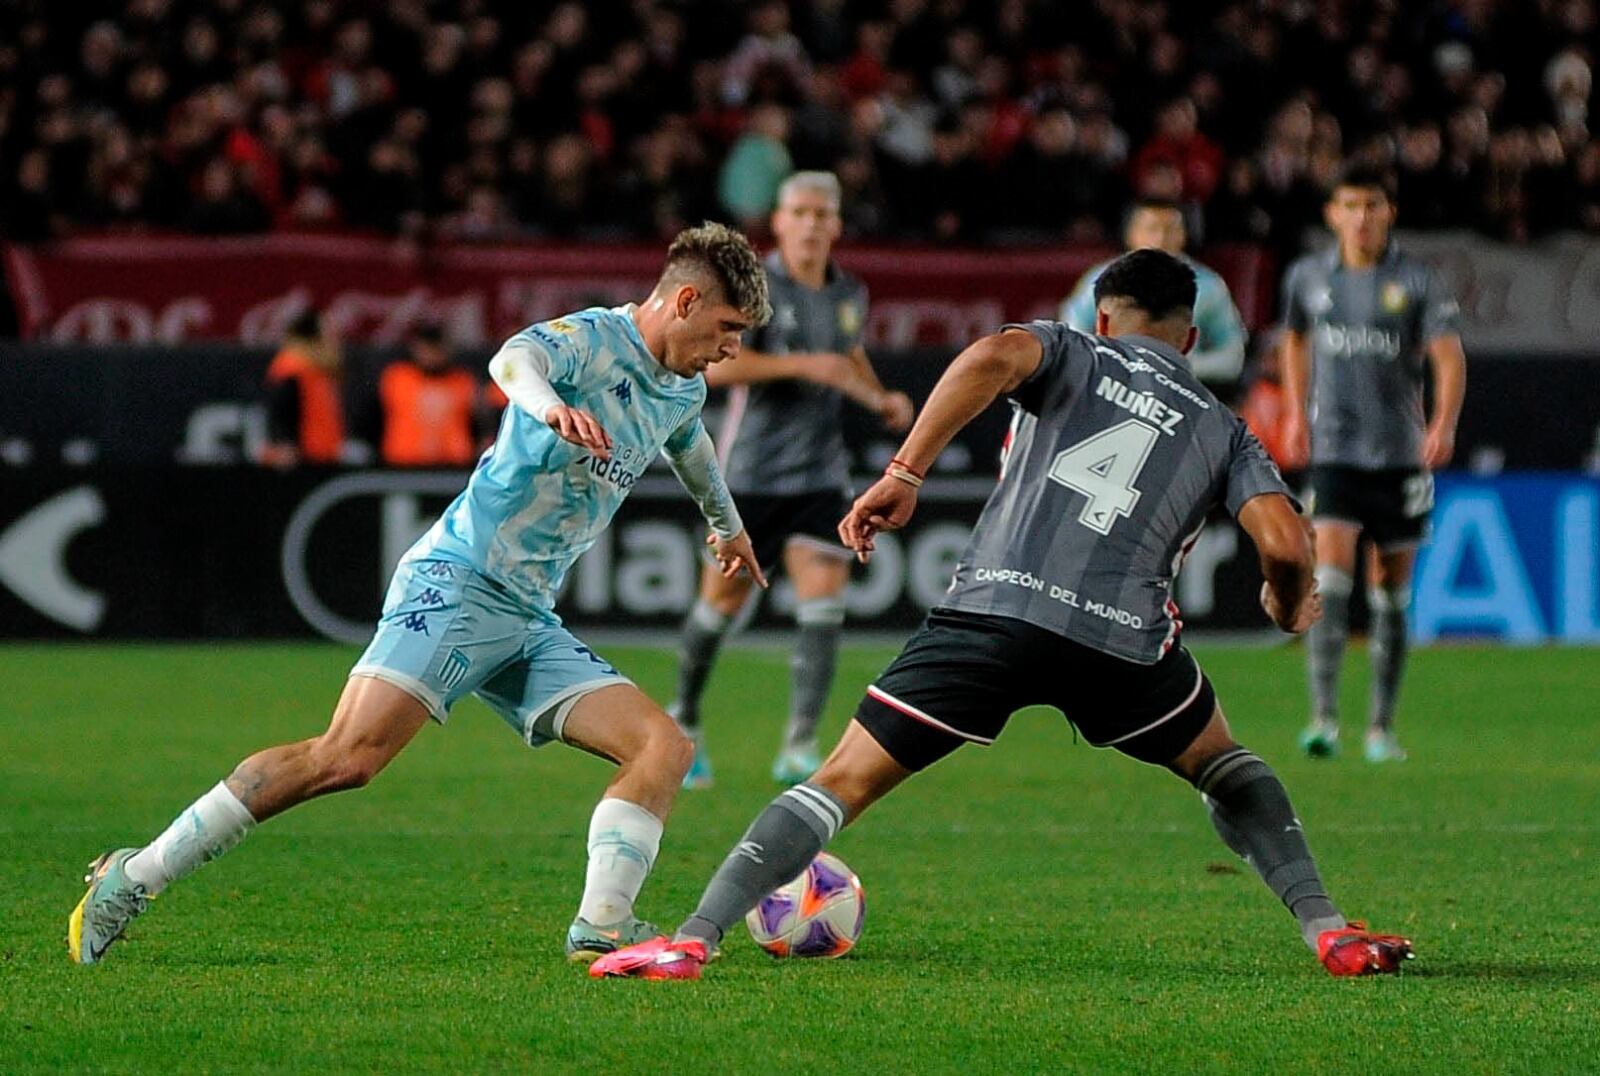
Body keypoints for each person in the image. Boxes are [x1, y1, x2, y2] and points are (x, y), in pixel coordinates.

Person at [591, 249, 1413, 981]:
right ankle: (1329, 930)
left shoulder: (1071, 348)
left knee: (839, 782)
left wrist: (906, 472)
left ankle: (693, 939)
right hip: (1120, 646)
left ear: (1102, 315)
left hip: (994, 615)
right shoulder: (1223, 427)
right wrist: (1282, 592)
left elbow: (989, 356)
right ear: (1191, 340)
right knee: (1225, 764)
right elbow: (1279, 533)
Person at [69, 223, 772, 966]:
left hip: (526, 614)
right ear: (686, 299)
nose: (731, 348)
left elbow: (688, 441)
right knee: (345, 758)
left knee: (663, 748)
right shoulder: (594, 339)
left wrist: (726, 526)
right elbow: (514, 359)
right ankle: (135, 873)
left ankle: (600, 928)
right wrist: (546, 408)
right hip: (461, 579)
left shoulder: (683, 386)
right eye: (727, 328)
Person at [668, 171, 914, 788]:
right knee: (720, 604)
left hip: (820, 474)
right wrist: (805, 363)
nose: (809, 224)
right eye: (798, 212)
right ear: (777, 221)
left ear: (835, 224)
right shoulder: (753, 287)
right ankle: (686, 724)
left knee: (825, 596)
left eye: (820, 214)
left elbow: (847, 354)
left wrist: (879, 397)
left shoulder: (849, 293)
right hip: (748, 473)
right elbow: (716, 369)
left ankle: (801, 743)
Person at [1279, 163, 1466, 763]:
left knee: (1389, 591)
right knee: (1331, 579)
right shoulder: (1308, 277)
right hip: (1334, 451)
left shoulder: (1415, 280)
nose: (1362, 218)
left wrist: (1442, 424)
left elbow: (1447, 355)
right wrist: (1292, 412)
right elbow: (1295, 339)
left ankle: (1381, 729)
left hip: (1399, 456)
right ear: (1333, 213)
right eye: (1351, 205)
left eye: (1373, 206)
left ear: (1390, 213)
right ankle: (1323, 720)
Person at [1061, 198, 1248, 398]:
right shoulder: (1103, 279)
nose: (1160, 239)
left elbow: (1233, 358)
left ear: (1183, 235)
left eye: (1170, 230)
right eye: (1152, 229)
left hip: (1185, 395)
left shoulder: (1209, 286)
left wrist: (1173, 366)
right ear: (1132, 234)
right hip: (1110, 390)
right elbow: (1072, 340)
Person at [376, 323, 480, 467]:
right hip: (403, 464)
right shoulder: (397, 377)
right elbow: (374, 417)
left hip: (453, 465)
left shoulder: (463, 381)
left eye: (436, 349)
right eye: (426, 348)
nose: (431, 355)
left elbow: (477, 422)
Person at [259, 309, 345, 467]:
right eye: (329, 335)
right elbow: (281, 412)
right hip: (302, 458)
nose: (335, 342)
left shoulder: (317, 371)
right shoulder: (292, 367)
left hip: (322, 455)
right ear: (312, 338)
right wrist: (285, 445)